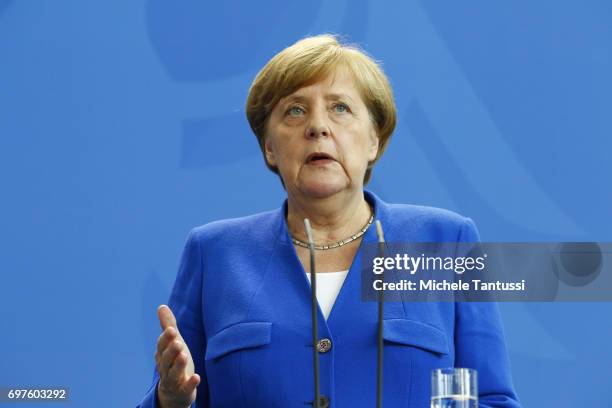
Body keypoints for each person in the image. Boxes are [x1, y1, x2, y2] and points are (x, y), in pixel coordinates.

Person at [137, 34, 520, 408]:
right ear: (270, 147)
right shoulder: (214, 253)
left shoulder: (447, 240)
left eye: (340, 108)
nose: (318, 127)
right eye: (295, 110)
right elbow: (174, 396)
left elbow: (494, 399)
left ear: (374, 140)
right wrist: (170, 400)